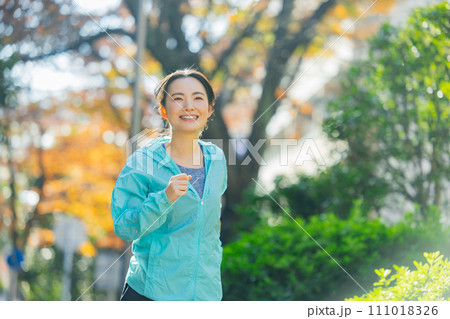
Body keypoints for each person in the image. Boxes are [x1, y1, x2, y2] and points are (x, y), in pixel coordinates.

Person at [111, 68, 227, 301]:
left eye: (197, 98)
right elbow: (124, 226)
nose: (188, 106)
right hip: (151, 295)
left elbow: (211, 231)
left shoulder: (217, 159)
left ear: (209, 108)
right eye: (177, 99)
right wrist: (164, 199)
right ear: (163, 110)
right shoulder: (143, 162)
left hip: (204, 297)